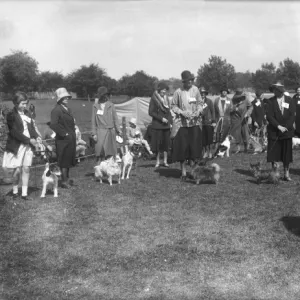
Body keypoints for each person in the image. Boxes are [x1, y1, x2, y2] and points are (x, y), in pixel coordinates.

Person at [2, 91, 40, 199]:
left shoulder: (27, 113)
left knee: (26, 168)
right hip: (17, 145)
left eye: (26, 103)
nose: (25, 106)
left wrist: (37, 137)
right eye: (22, 103)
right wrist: (29, 140)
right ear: (16, 103)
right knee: (17, 169)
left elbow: (31, 128)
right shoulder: (11, 115)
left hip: (28, 145)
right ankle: (14, 192)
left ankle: (24, 193)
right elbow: (14, 132)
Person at [171, 70, 203, 180]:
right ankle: (183, 172)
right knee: (183, 149)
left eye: (191, 80)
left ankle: (193, 172)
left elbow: (200, 103)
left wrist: (198, 111)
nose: (190, 82)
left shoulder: (196, 90)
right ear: (183, 82)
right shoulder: (178, 92)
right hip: (182, 125)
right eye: (188, 81)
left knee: (194, 149)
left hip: (194, 124)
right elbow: (173, 106)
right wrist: (182, 112)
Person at [266, 81, 295, 181]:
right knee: (274, 154)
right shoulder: (270, 101)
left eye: (276, 90)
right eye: (273, 90)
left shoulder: (290, 100)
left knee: (286, 154)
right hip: (274, 132)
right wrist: (278, 126)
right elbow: (269, 116)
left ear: (281, 91)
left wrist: (285, 127)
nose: (274, 92)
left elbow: (292, 115)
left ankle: (286, 173)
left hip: (287, 132)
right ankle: (275, 174)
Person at [50, 87, 77, 188]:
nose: (66, 99)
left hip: (70, 138)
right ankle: (64, 181)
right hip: (63, 140)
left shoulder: (67, 109)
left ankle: (67, 179)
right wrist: (63, 133)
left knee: (69, 159)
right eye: (64, 97)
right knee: (64, 161)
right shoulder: (56, 110)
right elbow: (53, 124)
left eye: (67, 97)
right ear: (59, 99)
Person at [91, 86, 121, 163]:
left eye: (105, 95)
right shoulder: (95, 106)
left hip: (110, 131)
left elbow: (115, 119)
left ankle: (110, 169)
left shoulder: (111, 105)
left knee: (110, 152)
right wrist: (94, 133)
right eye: (103, 95)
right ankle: (99, 170)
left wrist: (118, 130)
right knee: (100, 152)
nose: (104, 97)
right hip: (100, 132)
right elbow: (93, 121)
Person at [148, 81, 172, 167]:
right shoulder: (154, 99)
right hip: (157, 125)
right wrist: (161, 118)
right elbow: (151, 112)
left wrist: (170, 122)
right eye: (163, 90)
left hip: (166, 126)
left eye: (165, 90)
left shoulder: (167, 99)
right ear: (159, 90)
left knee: (166, 144)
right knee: (158, 144)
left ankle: (165, 161)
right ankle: (157, 161)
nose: (164, 92)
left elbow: (169, 112)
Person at [230, 89, 253, 153]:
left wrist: (247, 113)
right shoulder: (232, 100)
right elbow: (230, 109)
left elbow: (251, 107)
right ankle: (237, 148)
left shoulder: (245, 100)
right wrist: (235, 107)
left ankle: (246, 147)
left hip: (243, 119)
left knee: (245, 133)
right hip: (235, 119)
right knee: (236, 134)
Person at [199, 87, 216, 158]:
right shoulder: (197, 102)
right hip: (201, 123)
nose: (202, 95)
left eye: (204, 93)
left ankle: (210, 152)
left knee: (209, 138)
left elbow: (213, 111)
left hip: (208, 122)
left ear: (206, 94)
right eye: (201, 93)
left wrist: (213, 121)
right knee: (203, 139)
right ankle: (205, 152)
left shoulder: (209, 101)